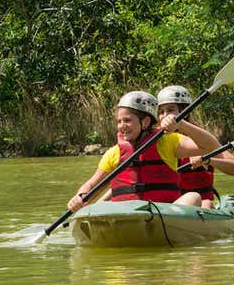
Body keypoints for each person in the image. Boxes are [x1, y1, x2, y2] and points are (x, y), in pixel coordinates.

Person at [66, 91, 224, 212]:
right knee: (95, 207)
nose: (122, 126)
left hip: (164, 214)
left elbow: (212, 147)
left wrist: (181, 125)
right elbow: (93, 184)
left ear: (145, 121)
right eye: (119, 121)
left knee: (193, 197)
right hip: (126, 215)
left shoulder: (167, 142)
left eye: (127, 120)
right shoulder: (114, 153)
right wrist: (79, 197)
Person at [157, 85, 234, 209]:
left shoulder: (201, 141)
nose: (164, 115)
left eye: (170, 110)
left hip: (201, 204)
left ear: (184, 112)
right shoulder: (156, 140)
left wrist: (209, 160)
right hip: (170, 205)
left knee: (206, 204)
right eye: (161, 112)